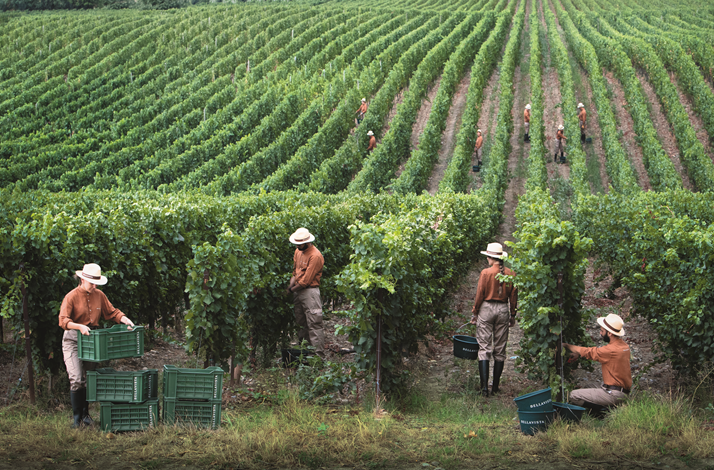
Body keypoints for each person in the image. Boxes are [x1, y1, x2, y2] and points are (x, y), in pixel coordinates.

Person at [59, 264, 135, 429]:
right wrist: (79, 326)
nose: (94, 286)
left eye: (96, 283)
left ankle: (86, 416)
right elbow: (63, 321)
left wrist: (125, 319)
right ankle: (76, 419)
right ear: (83, 279)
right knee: (76, 379)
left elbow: (112, 312)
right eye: (92, 283)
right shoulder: (71, 297)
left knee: (88, 379)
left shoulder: (99, 295)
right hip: (73, 339)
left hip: (92, 339)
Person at [470, 243, 518, 396]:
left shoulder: (485, 273)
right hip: (503, 309)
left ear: (491, 257)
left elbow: (479, 295)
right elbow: (514, 297)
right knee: (500, 349)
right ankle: (495, 387)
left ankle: (484, 388)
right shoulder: (511, 274)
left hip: (486, 309)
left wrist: (475, 313)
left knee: (484, 347)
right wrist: (512, 314)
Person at [563, 314, 631, 418]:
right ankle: (605, 408)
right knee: (588, 387)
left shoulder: (611, 350)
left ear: (610, 333)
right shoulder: (624, 346)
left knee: (574, 395)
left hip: (614, 394)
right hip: (621, 391)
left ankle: (605, 412)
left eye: (602, 331)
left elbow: (590, 352)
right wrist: (579, 355)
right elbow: (601, 355)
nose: (600, 333)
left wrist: (567, 346)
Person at [286, 228, 325, 358]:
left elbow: (306, 281)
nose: (297, 246)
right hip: (298, 291)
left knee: (314, 322)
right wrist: (290, 286)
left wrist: (291, 290)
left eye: (300, 244)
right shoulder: (298, 251)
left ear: (307, 242)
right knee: (301, 321)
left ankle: (317, 356)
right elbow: (295, 273)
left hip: (310, 292)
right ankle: (304, 352)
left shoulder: (315, 256)